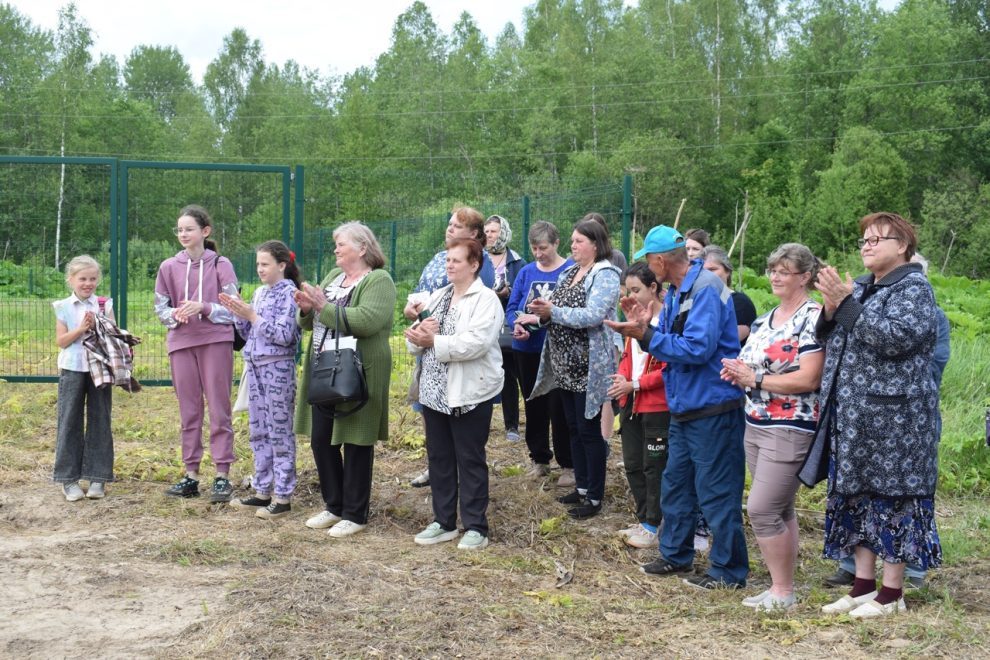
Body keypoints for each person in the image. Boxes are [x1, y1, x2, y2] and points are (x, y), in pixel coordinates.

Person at [606, 224, 750, 590]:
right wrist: (646, 327)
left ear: (659, 260)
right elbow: (667, 343)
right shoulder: (675, 292)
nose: (647, 269)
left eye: (648, 263)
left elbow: (697, 349)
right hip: (684, 407)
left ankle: (728, 572)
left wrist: (648, 335)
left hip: (712, 408)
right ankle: (676, 556)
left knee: (716, 492)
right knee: (676, 486)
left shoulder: (704, 290)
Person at [815, 213, 942, 618]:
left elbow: (894, 339)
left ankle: (892, 593)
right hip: (857, 419)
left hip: (897, 424)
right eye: (864, 240)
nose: (867, 245)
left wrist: (846, 304)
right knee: (857, 500)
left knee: (893, 502)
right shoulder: (865, 288)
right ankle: (862, 586)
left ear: (902, 246)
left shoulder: (914, 288)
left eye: (877, 239)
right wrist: (832, 307)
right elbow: (833, 338)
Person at [719, 243, 824, 611]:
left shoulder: (812, 317)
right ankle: (782, 586)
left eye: (784, 270)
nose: (775, 276)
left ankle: (783, 592)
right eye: (772, 270)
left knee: (762, 510)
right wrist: (738, 373)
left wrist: (755, 377)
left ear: (805, 277)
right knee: (781, 509)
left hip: (791, 424)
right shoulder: (767, 318)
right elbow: (751, 367)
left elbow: (810, 378)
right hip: (757, 422)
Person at [295, 222, 396, 538]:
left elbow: (367, 321)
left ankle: (355, 513)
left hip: (360, 370)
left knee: (355, 440)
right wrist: (307, 309)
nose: (335, 249)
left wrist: (323, 307)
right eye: (335, 244)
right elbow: (313, 321)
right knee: (320, 438)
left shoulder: (379, 280)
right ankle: (334, 505)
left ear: (362, 248)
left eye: (341, 243)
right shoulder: (333, 278)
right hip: (326, 368)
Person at [405, 238, 504, 550]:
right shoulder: (438, 296)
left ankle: (476, 526)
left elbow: (476, 343)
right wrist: (416, 336)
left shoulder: (485, 300)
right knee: (439, 458)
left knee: (470, 459)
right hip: (434, 391)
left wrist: (434, 340)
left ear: (474, 265)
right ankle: (443, 521)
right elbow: (420, 341)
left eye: (456, 261)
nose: (449, 265)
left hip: (469, 392)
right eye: (448, 260)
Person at [530, 219, 621, 519]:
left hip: (589, 366)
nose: (572, 246)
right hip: (564, 366)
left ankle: (594, 496)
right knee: (572, 427)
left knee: (590, 430)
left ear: (596, 244)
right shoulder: (570, 272)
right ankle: (581, 487)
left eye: (578, 241)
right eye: (572, 241)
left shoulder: (605, 273)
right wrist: (541, 314)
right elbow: (555, 310)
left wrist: (552, 311)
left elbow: (593, 315)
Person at [403, 206, 496, 489]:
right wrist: (413, 309)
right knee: (430, 413)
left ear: (474, 234)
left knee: (462, 428)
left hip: (458, 357)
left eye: (457, 225)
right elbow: (423, 293)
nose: (450, 228)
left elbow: (474, 307)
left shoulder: (481, 263)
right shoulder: (436, 258)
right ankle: (438, 467)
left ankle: (456, 472)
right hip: (428, 348)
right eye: (450, 223)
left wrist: (437, 335)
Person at [155, 205, 239, 502]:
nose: (183, 234)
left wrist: (203, 307)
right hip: (181, 343)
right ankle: (190, 474)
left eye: (188, 229)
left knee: (219, 408)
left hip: (215, 341)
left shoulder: (221, 264)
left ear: (205, 231)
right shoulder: (168, 267)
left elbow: (234, 308)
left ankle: (222, 475)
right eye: (179, 229)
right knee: (189, 411)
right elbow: (160, 308)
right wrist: (174, 315)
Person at [220, 241, 302, 520]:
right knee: (258, 430)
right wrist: (238, 312)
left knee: (279, 429)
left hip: (277, 368)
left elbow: (284, 335)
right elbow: (247, 334)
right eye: (258, 264)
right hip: (254, 366)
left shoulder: (291, 294)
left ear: (282, 265)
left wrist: (252, 315)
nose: (260, 269)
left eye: (265, 264)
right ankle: (262, 489)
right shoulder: (259, 293)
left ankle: (283, 495)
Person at [607, 262, 669, 549]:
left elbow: (669, 368)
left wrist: (637, 384)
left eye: (636, 290)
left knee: (653, 466)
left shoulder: (667, 321)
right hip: (630, 400)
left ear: (654, 288)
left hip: (656, 403)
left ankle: (655, 523)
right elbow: (630, 356)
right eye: (626, 291)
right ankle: (644, 517)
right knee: (633, 463)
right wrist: (623, 376)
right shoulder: (632, 317)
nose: (631, 297)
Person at [507, 221, 575, 484]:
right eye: (534, 248)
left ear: (557, 243)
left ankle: (568, 464)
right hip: (526, 349)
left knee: (558, 407)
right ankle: (539, 459)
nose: (538, 253)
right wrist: (518, 323)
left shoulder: (570, 271)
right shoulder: (525, 272)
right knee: (533, 404)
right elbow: (512, 307)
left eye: (543, 247)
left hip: (557, 350)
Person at [52, 255, 115, 501]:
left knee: (101, 419)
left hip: (100, 370)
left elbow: (113, 337)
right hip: (72, 368)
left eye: (92, 278)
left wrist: (101, 328)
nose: (88, 283)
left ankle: (98, 478)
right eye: (82, 279)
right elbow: (61, 342)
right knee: (69, 421)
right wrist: (81, 329)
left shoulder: (104, 304)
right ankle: (68, 480)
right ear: (71, 280)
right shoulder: (63, 307)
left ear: (98, 280)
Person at [581, 212, 625, 448]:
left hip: (609, 328)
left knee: (607, 386)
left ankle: (605, 439)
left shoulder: (614, 259)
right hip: (585, 336)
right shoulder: (577, 263)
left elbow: (623, 287)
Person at [484, 214, 526, 443]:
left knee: (518, 374)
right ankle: (504, 425)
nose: (490, 235)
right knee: (497, 376)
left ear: (505, 233)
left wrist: (508, 295)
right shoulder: (478, 259)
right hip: (486, 325)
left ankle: (520, 424)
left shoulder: (517, 262)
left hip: (511, 327)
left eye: (494, 231)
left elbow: (525, 294)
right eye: (487, 231)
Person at [700, 245, 757, 346]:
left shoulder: (740, 303)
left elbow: (729, 340)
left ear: (727, 271)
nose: (707, 275)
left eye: (712, 269)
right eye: (703, 271)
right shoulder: (698, 301)